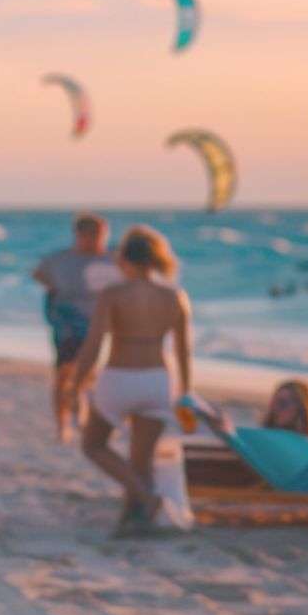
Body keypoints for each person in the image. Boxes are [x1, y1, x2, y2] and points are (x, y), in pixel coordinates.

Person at [71, 225, 192, 533]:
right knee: (141, 459)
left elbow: (95, 343)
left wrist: (76, 382)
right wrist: (185, 392)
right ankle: (134, 518)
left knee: (94, 445)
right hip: (157, 379)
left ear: (124, 258)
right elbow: (183, 351)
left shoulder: (113, 295)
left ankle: (146, 500)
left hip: (119, 378)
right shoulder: (175, 296)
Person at [32, 213, 119, 443]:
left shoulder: (113, 258)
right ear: (79, 235)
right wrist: (56, 291)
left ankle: (81, 413)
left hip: (99, 323)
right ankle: (63, 424)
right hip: (67, 321)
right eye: (92, 236)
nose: (97, 241)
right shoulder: (61, 259)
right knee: (63, 373)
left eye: (102, 235)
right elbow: (38, 274)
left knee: (88, 372)